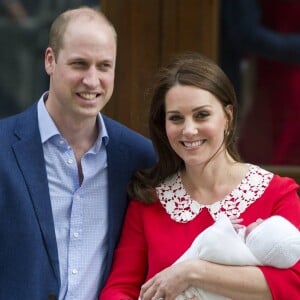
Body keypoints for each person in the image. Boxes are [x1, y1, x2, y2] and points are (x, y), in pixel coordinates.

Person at [99, 52, 300, 300]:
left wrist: (192, 272)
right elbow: (118, 290)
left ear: (227, 116)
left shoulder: (277, 194)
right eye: (176, 118)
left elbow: (295, 283)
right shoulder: (148, 202)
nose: (189, 130)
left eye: (201, 115)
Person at [0, 6, 156, 300]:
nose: (92, 80)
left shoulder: (139, 157)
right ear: (50, 60)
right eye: (79, 64)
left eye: (104, 66)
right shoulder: (3, 146)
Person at [174, 214, 300, 300]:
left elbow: (209, 244)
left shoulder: (236, 253)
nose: (260, 219)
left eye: (263, 225)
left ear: (259, 240)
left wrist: (223, 227)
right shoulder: (253, 265)